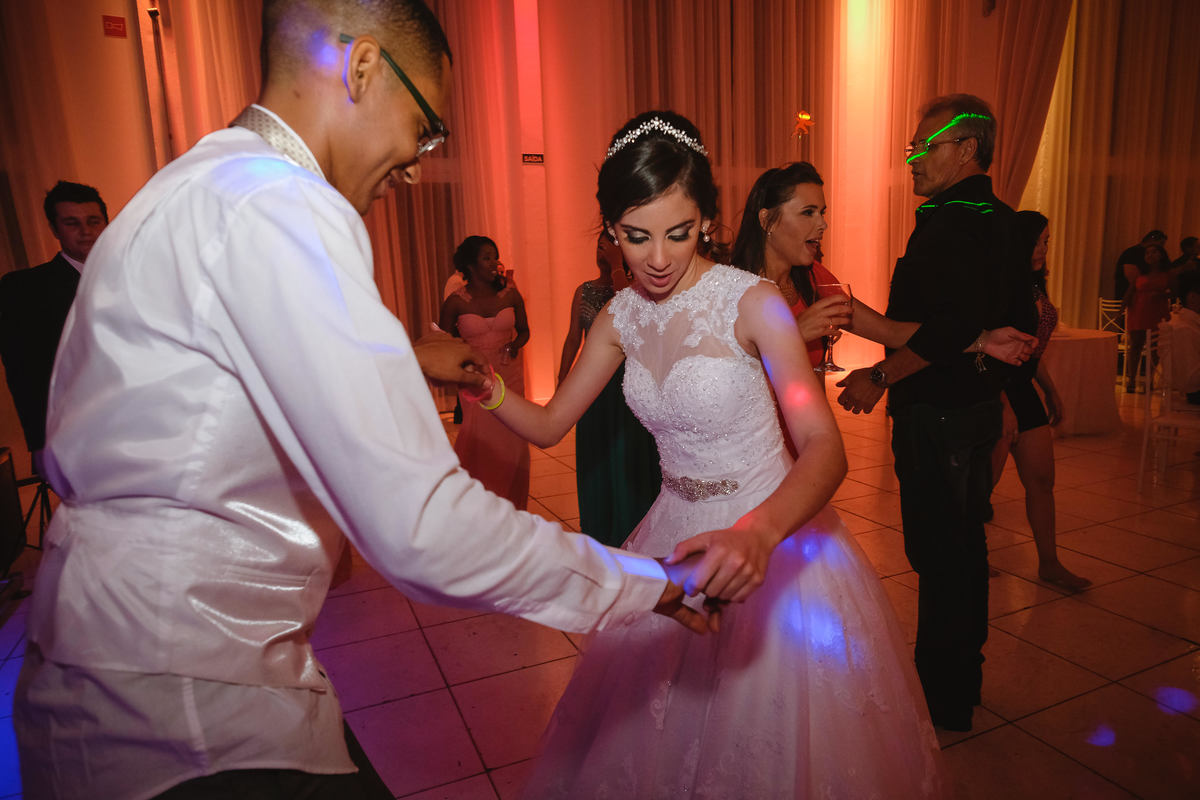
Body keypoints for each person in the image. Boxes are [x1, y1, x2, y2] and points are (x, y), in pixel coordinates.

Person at [12, 5, 722, 798]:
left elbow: (208, 381)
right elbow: (425, 527)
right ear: (362, 69)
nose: (416, 165)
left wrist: (406, 355)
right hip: (186, 700)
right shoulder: (282, 205)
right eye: (424, 129)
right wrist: (645, 583)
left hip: (105, 673)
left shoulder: (189, 186)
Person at [483, 110, 942, 797]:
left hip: (776, 536)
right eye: (636, 236)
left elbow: (823, 446)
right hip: (673, 531)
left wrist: (758, 532)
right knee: (662, 740)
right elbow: (549, 425)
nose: (658, 258)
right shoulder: (619, 317)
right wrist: (481, 385)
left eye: (679, 232)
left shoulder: (754, 303)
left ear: (707, 220)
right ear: (610, 229)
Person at [836, 94, 1037, 732]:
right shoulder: (1000, 219)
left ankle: (940, 697)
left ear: (966, 149)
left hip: (941, 413)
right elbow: (1015, 322)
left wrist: (879, 376)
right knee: (964, 548)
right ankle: (959, 685)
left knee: (941, 553)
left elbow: (948, 327)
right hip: (972, 408)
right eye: (912, 148)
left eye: (926, 146)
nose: (914, 160)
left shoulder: (953, 221)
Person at [991, 211, 1090, 592]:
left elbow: (1033, 351)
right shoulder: (1002, 288)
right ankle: (969, 557)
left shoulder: (1033, 285)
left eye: (1046, 241)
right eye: (1037, 241)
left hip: (1023, 389)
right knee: (982, 487)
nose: (1043, 249)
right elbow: (989, 353)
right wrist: (1003, 406)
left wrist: (1050, 390)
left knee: (1042, 480)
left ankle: (1050, 563)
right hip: (996, 391)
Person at [557, 232, 660, 546]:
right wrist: (562, 380)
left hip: (628, 386)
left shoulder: (638, 289)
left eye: (610, 247)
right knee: (596, 454)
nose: (603, 253)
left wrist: (618, 266)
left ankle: (630, 529)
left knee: (626, 456)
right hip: (594, 387)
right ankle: (599, 529)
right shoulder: (585, 290)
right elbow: (573, 338)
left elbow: (629, 313)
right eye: (600, 247)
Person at [0, 180, 107, 475]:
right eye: (72, 223)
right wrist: (39, 443)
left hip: (145, 424)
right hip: (75, 432)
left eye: (93, 221)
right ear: (54, 228)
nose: (86, 231)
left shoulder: (134, 276)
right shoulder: (24, 289)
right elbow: (24, 372)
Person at [439, 235, 531, 508]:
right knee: (479, 437)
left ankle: (513, 503)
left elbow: (524, 331)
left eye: (495, 256)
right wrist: (464, 360)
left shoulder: (510, 294)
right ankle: (477, 504)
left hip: (510, 374)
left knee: (513, 437)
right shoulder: (455, 302)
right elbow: (442, 343)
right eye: (486, 257)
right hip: (476, 379)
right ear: (470, 264)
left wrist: (515, 345)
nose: (494, 263)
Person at [1124, 242, 1173, 391]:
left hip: (1157, 311)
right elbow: (1130, 291)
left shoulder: (1168, 274)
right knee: (1135, 346)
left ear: (1161, 255)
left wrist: (1161, 294)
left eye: (1154, 252)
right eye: (1147, 253)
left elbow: (1174, 292)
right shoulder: (1140, 273)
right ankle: (1131, 379)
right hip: (1138, 311)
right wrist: (1122, 307)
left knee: (1154, 348)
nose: (1150, 255)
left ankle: (1150, 379)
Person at [1160, 271, 1200, 404]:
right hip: (1195, 391)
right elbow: (1189, 377)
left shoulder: (1187, 322)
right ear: (1192, 297)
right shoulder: (1185, 328)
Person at [1114, 229, 1167, 302]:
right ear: (1151, 240)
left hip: (1142, 298)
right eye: (1161, 244)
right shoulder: (1132, 253)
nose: (1162, 248)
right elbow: (1133, 279)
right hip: (1131, 298)